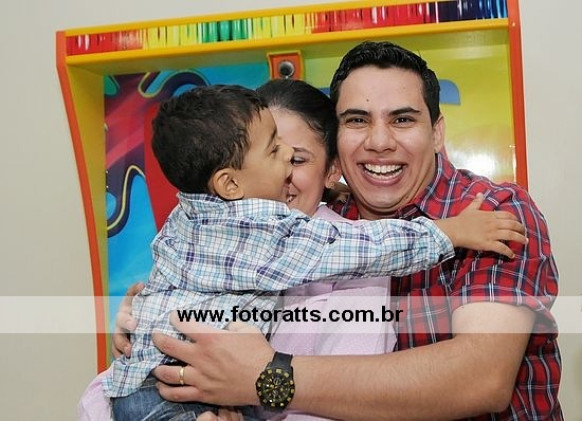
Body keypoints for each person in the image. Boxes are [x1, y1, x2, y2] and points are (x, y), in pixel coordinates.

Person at [149, 41, 562, 420]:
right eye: (357, 120)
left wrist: (267, 378)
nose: (379, 141)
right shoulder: (316, 220)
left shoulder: (488, 212)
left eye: (402, 119)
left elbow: (479, 379)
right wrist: (155, 319)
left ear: (437, 132)